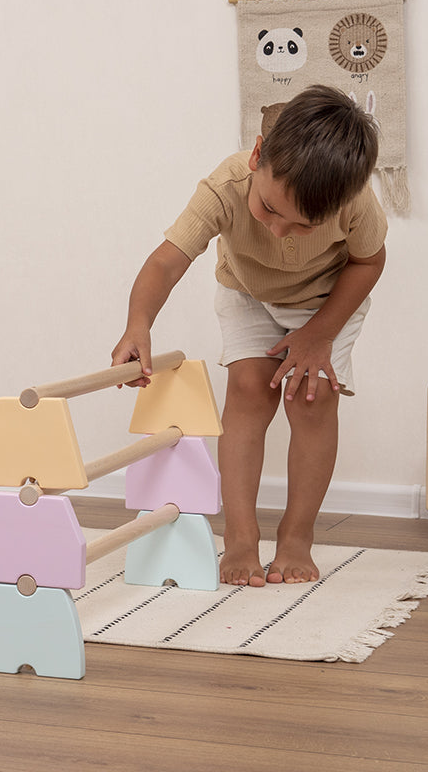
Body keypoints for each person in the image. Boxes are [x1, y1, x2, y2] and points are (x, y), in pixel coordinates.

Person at [111, 85, 386, 587]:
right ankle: (240, 536)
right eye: (270, 210)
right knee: (248, 392)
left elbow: (369, 261)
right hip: (248, 295)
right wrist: (138, 324)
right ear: (258, 155)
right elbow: (167, 260)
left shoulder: (356, 202)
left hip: (327, 303)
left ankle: (296, 537)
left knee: (312, 396)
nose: (281, 232)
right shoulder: (224, 186)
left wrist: (319, 334)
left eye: (304, 226)